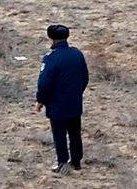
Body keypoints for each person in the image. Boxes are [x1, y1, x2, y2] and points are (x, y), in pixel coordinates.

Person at [36, 24, 89, 175]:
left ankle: (62, 162)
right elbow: (85, 77)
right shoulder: (77, 54)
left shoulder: (51, 58)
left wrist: (41, 100)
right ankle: (77, 161)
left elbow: (44, 82)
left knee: (59, 134)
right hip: (74, 101)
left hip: (56, 103)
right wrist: (77, 92)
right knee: (75, 132)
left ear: (51, 38)